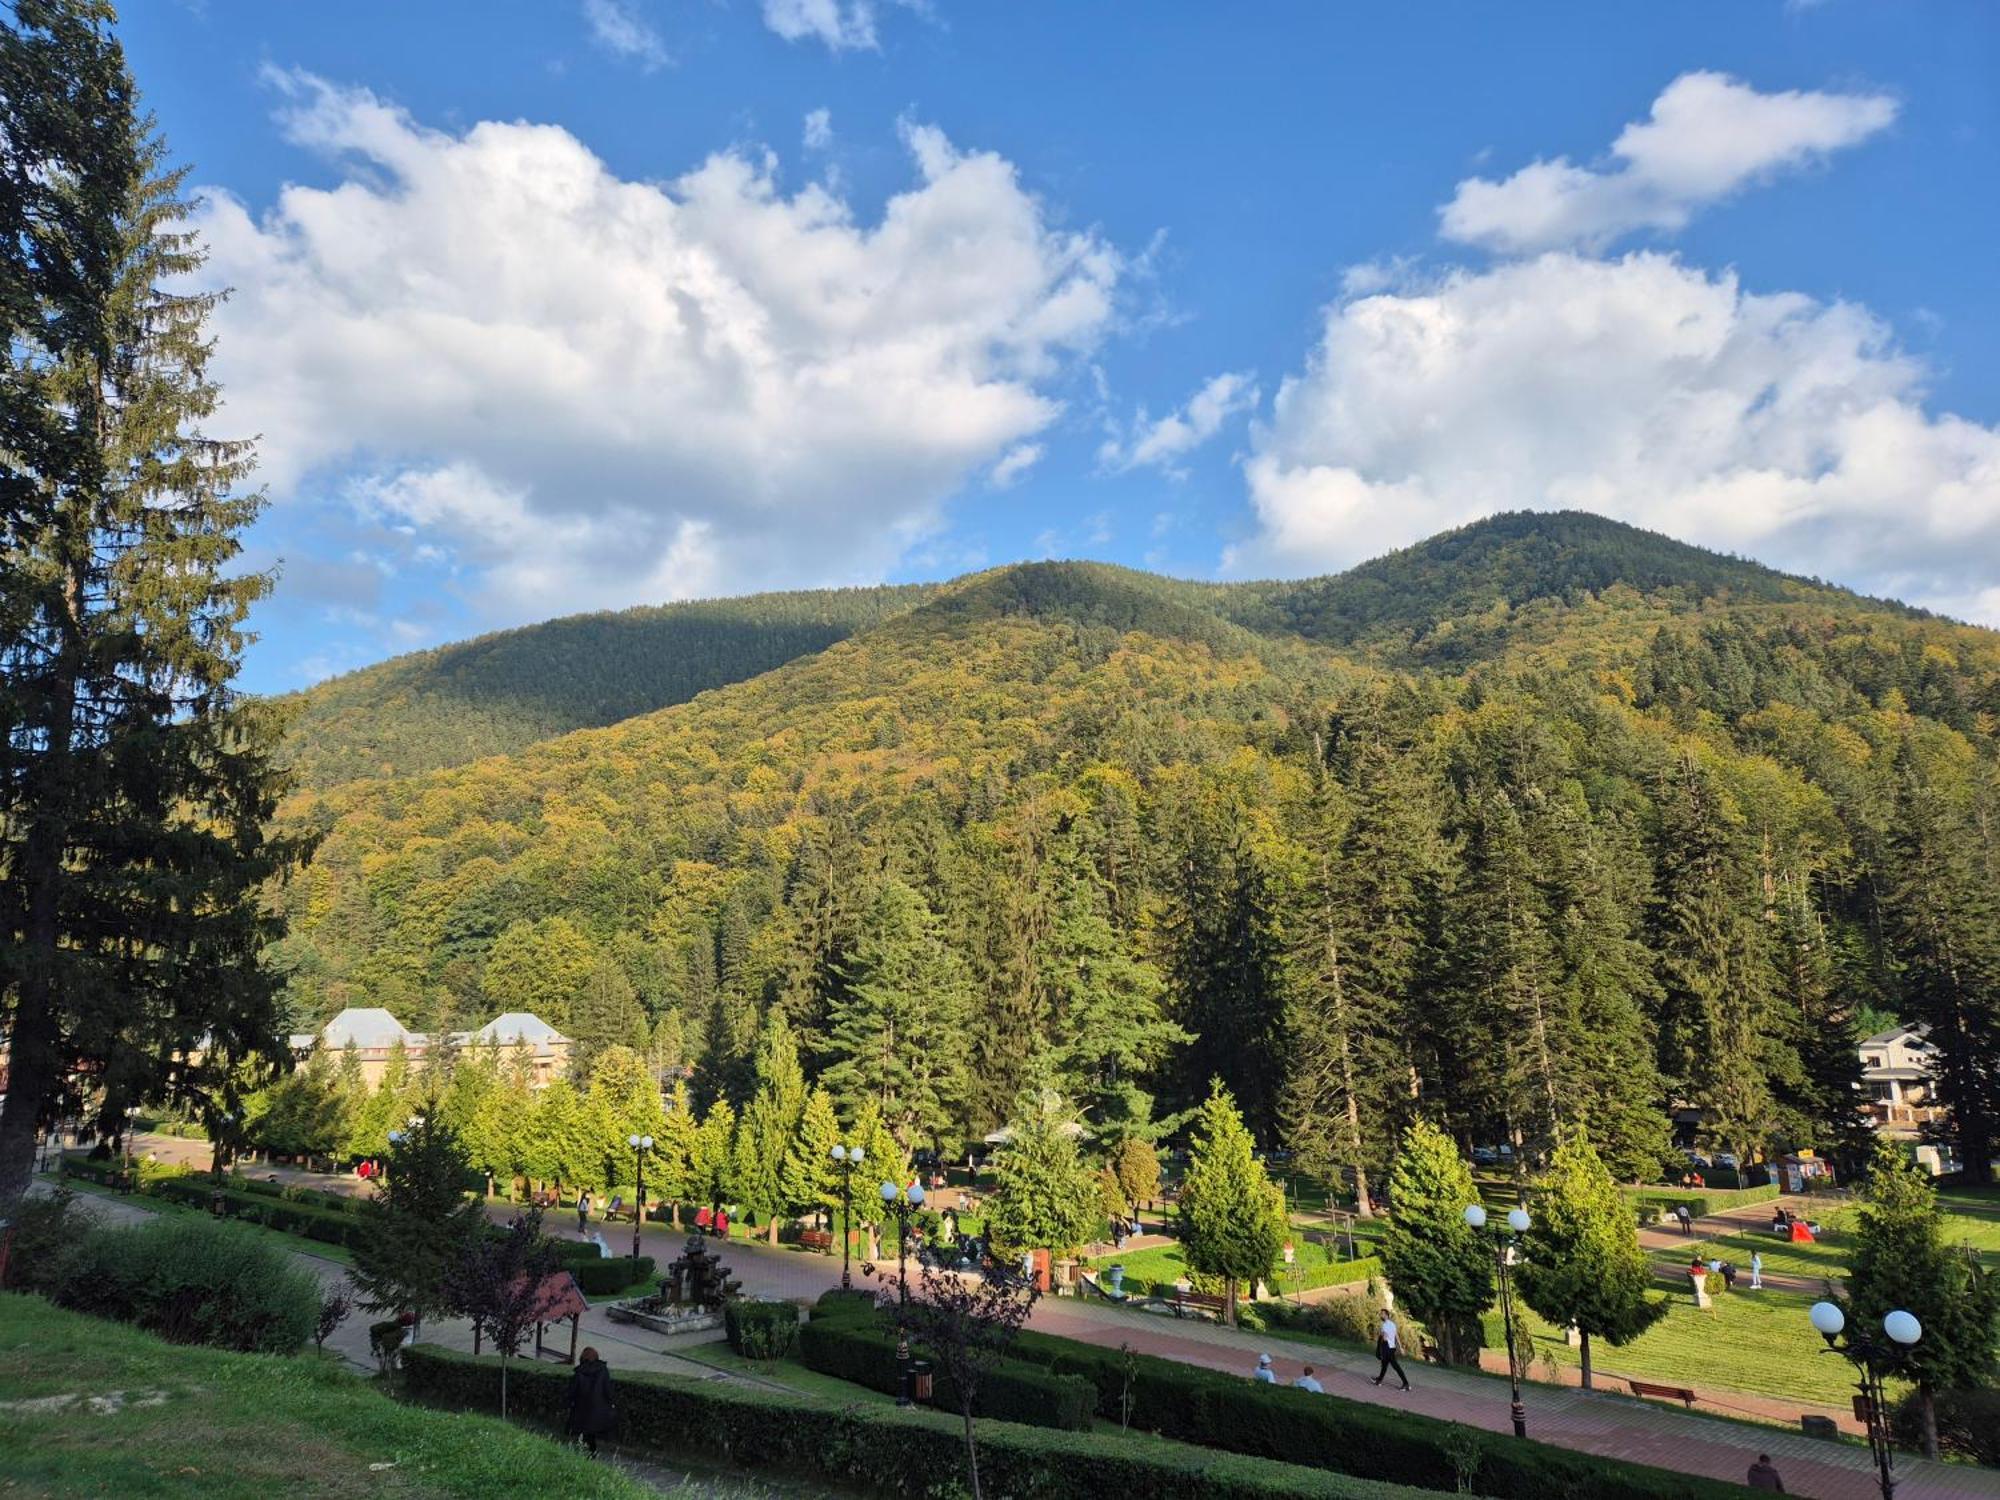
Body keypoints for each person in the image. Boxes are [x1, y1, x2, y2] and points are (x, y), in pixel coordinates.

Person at [567, 1346, 617, 1458]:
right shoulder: (603, 1370)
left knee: (585, 1433)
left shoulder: (580, 1372)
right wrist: (611, 1402)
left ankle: (588, 1454)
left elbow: (573, 1391)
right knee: (592, 1433)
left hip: (582, 1409)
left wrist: (569, 1403)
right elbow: (608, 1389)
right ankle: (592, 1454)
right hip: (598, 1409)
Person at [1372, 1314, 1409, 1391]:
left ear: (1387, 1316)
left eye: (1383, 1314)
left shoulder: (1385, 1325)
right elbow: (1396, 1335)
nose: (1381, 1315)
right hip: (1392, 1348)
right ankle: (1379, 1380)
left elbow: (1385, 1338)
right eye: (1381, 1313)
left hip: (1387, 1348)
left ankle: (1406, 1384)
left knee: (1396, 1366)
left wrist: (1381, 1338)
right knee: (1384, 1365)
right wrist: (1400, 1347)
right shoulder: (1392, 1324)